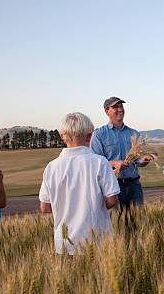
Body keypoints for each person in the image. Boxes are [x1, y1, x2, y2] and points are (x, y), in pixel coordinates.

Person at [39, 112, 120, 255]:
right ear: (90, 136)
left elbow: (45, 207)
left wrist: (65, 208)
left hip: (64, 244)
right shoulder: (100, 162)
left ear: (61, 135)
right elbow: (112, 199)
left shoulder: (51, 167)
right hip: (98, 240)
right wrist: (94, 206)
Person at [90, 97, 150, 215]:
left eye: (121, 106)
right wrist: (114, 164)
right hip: (113, 185)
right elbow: (95, 162)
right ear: (107, 111)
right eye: (115, 107)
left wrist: (144, 160)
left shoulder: (134, 133)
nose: (120, 109)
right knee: (117, 223)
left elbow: (138, 160)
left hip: (134, 185)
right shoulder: (99, 135)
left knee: (138, 222)